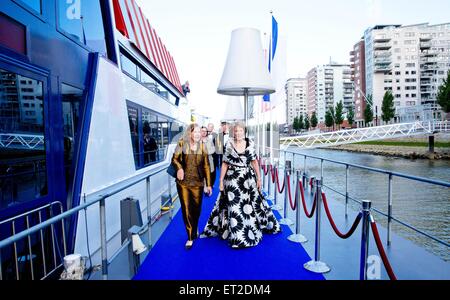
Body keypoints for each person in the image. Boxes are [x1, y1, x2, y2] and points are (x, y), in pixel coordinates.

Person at [201, 122, 281, 248]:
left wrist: (259, 178)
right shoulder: (229, 144)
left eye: (240, 131)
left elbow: (254, 162)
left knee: (249, 205)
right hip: (232, 180)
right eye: (236, 131)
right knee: (234, 207)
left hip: (247, 179)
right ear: (233, 132)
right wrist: (221, 180)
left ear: (244, 132)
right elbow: (225, 163)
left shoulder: (250, 144)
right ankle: (238, 236)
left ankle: (250, 227)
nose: (238, 133)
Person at [172, 123, 212, 249]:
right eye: (195, 132)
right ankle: (190, 236)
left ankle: (194, 228)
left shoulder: (203, 146)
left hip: (198, 183)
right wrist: (179, 168)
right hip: (183, 183)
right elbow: (174, 159)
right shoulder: (182, 143)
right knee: (186, 209)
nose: (198, 134)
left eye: (199, 132)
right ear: (190, 133)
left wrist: (209, 184)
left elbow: (206, 166)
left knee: (197, 209)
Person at [201, 126, 216, 191]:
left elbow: (213, 149)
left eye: (205, 131)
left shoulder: (209, 140)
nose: (204, 132)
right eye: (202, 131)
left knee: (209, 174)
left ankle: (208, 186)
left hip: (209, 160)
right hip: (200, 161)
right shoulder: (197, 140)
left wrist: (205, 153)